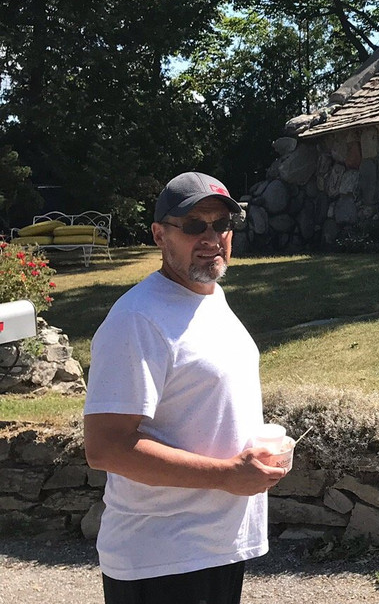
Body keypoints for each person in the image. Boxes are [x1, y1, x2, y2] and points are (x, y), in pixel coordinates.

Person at [83, 172, 286, 604]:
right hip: (162, 558)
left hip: (214, 547)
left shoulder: (212, 297)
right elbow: (106, 447)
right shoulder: (136, 319)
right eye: (194, 225)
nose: (212, 237)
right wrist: (228, 476)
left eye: (222, 225)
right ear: (160, 235)